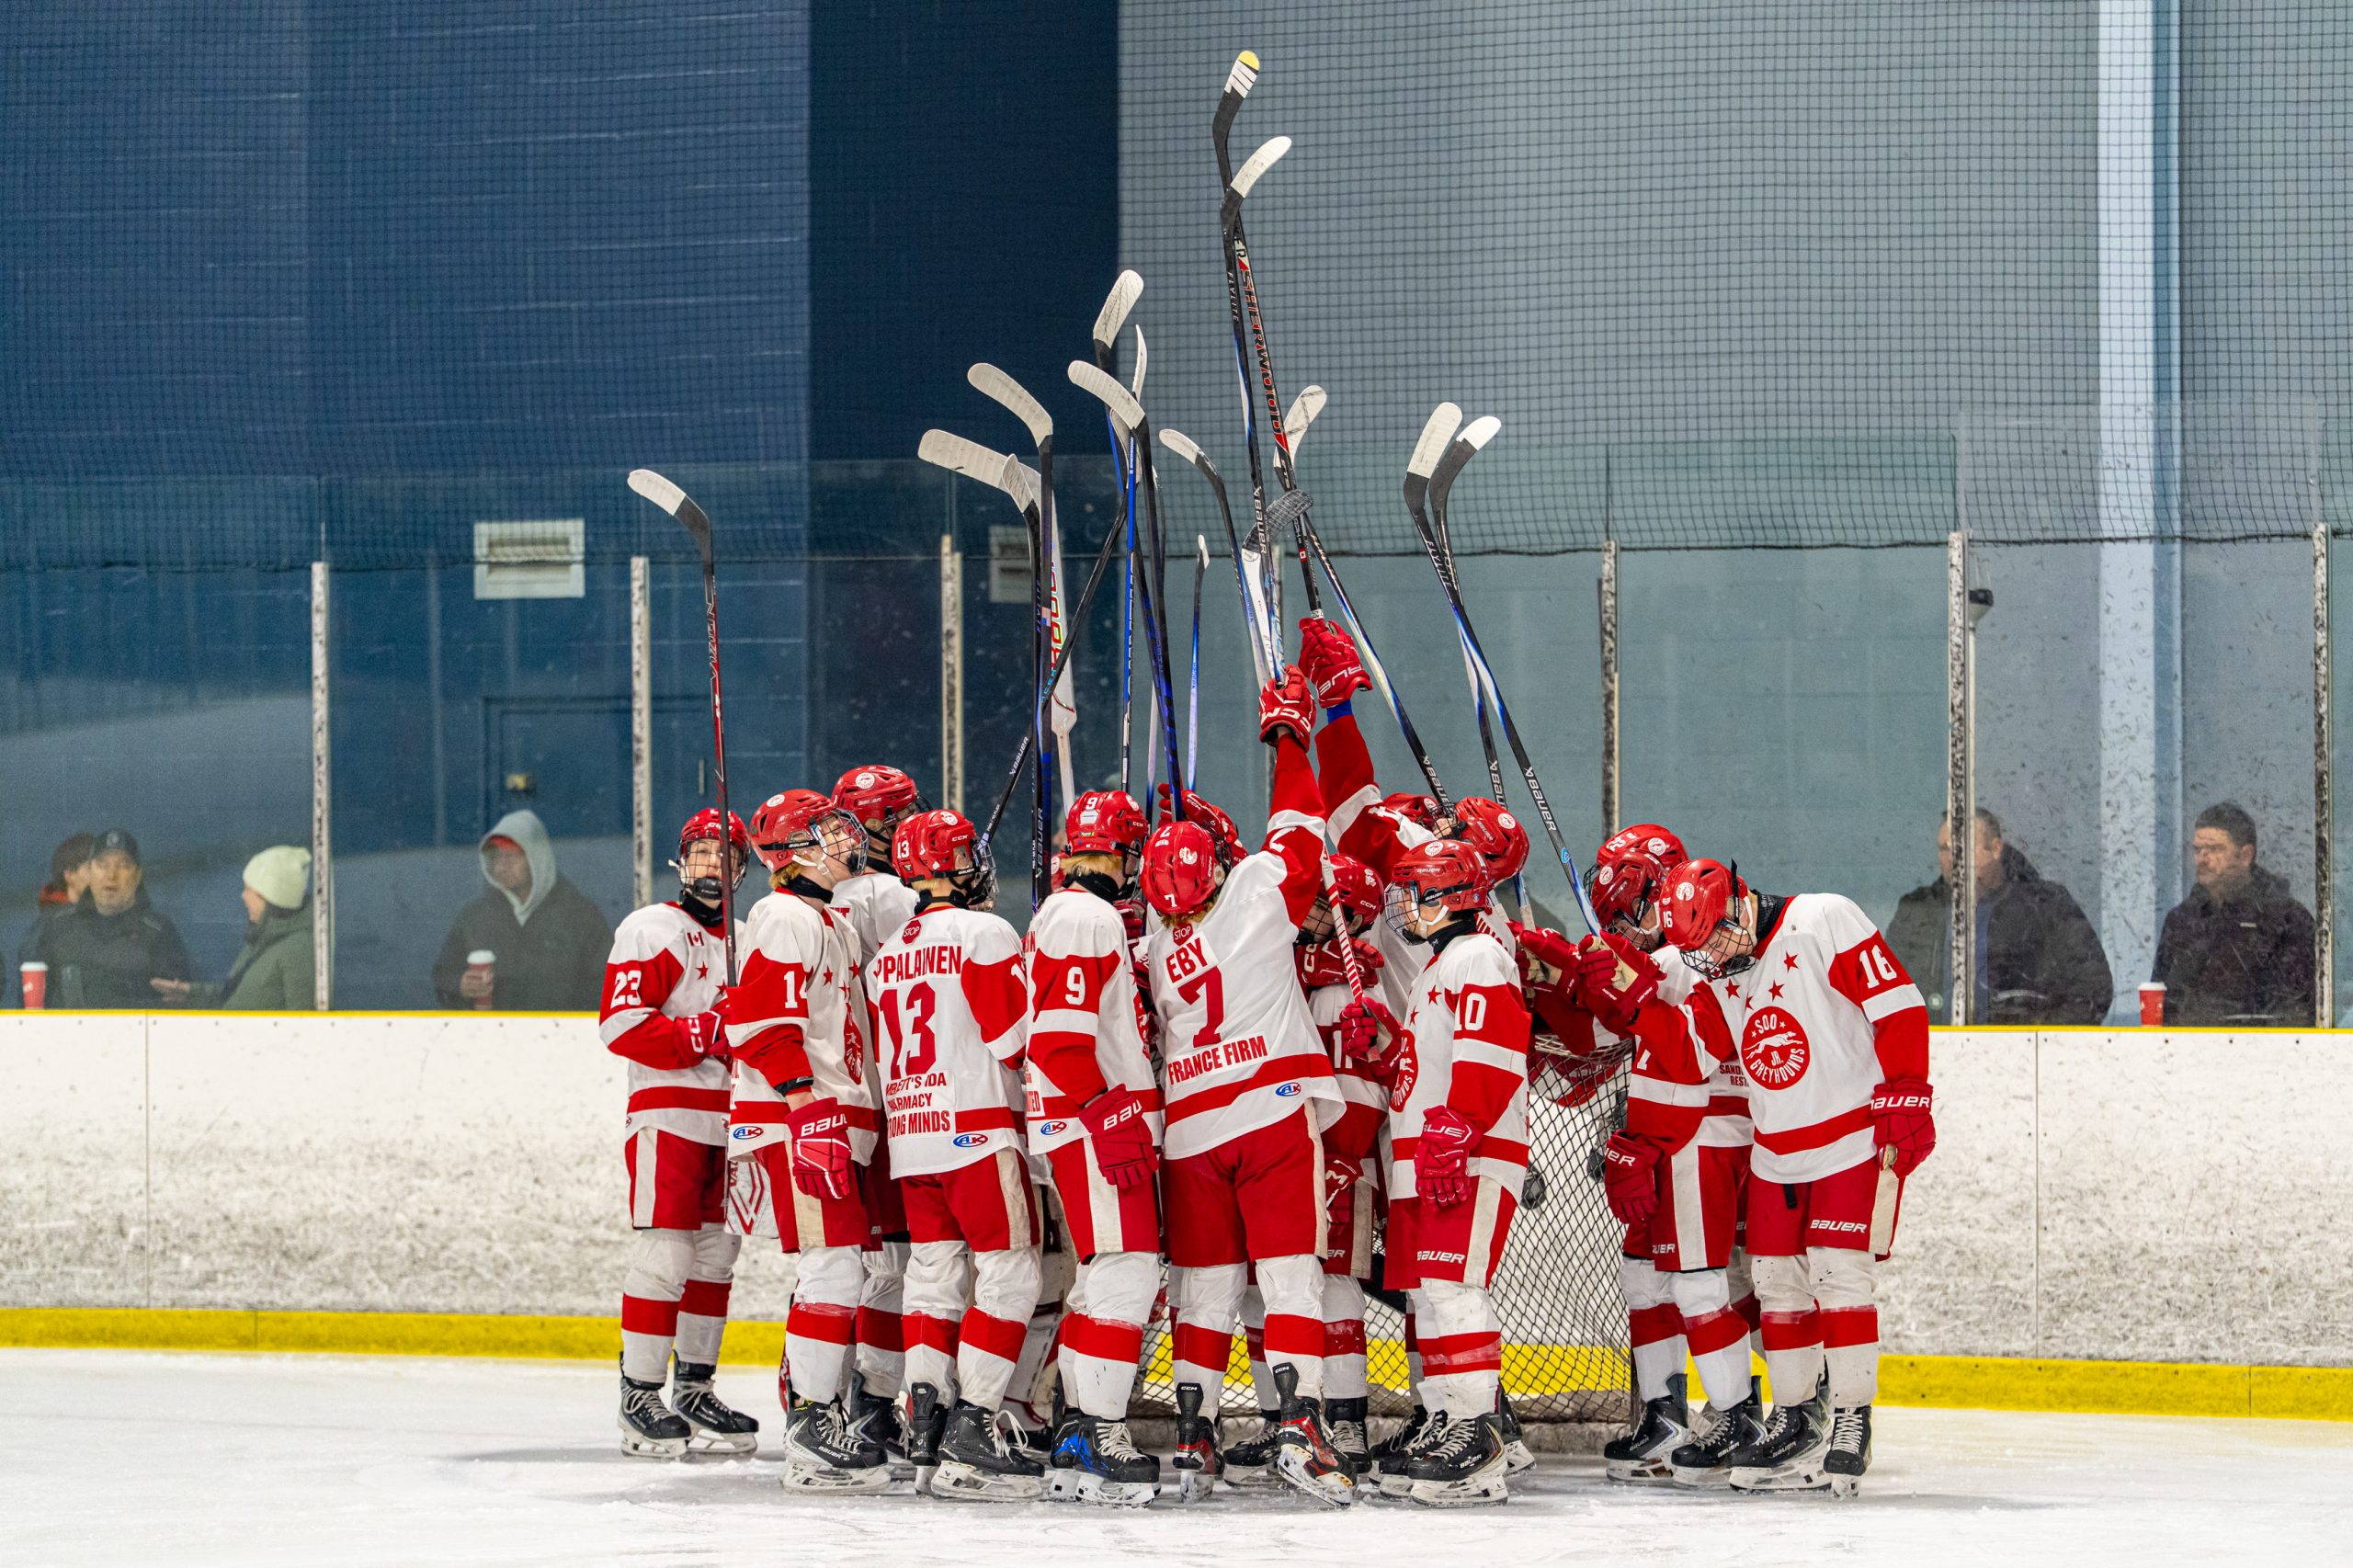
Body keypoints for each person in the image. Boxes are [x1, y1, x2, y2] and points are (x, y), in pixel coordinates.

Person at [1643, 858, 1936, 1498]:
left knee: (1839, 1274)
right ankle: (1796, 1415)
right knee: (1777, 1286)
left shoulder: (1823, 917)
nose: (1711, 959)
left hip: (1850, 1139)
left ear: (1740, 902)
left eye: (1716, 939)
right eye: (1695, 951)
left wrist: (1908, 1090)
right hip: (1774, 1151)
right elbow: (1695, 1053)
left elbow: (1899, 1005)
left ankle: (1853, 1417)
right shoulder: (1712, 969)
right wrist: (1633, 997)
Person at [1142, 666, 1355, 1507]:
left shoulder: (1157, 947)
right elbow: (1301, 831)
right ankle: (1298, 1427)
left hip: (1188, 1130)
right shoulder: (1260, 893)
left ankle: (1195, 1437)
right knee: (1290, 1273)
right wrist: (1287, 736)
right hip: (1266, 1111)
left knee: (1206, 1287)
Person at [1336, 837, 1532, 1507]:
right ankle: (1448, 1418)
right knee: (1428, 1294)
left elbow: (1495, 1051)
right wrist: (1386, 1052)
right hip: (1432, 1153)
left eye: (1414, 892)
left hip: (1467, 1154)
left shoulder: (1479, 955)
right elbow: (1429, 1071)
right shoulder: (1438, 967)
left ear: (1448, 895)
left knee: (1452, 1287)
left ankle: (1480, 1434)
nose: (1402, 906)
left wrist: (1461, 1126)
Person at [867, 807, 1045, 1502]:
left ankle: (924, 1417)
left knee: (933, 1277)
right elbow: (1013, 1039)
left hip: (914, 1139)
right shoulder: (986, 931)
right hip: (978, 1130)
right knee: (1012, 1271)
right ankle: (975, 1425)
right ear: (958, 863)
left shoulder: (888, 955)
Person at [727, 790, 891, 1491]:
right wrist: (802, 1100)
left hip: (830, 1113)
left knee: (839, 1267)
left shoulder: (831, 918)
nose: (843, 839)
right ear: (793, 849)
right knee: (834, 1267)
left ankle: (814, 1412)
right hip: (807, 1115)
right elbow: (760, 1020)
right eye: (825, 831)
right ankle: (813, 1426)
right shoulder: (783, 914)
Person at [600, 810, 758, 1460]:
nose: (710, 866)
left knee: (718, 1255)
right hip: (669, 1113)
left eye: (723, 855)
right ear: (679, 861)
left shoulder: (749, 940)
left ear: (744, 867)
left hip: (734, 1118)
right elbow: (620, 1025)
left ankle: (694, 1386)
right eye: (698, 853)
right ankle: (640, 1393)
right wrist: (704, 1029)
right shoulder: (651, 928)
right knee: (667, 1251)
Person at [1021, 789, 1163, 1506]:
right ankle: (1097, 1431)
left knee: (1105, 1274)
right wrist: (1109, 1115)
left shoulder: (1067, 912)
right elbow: (1056, 1040)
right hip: (1089, 1121)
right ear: (1120, 852)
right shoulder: (1085, 914)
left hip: (1076, 1120)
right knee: (1125, 1268)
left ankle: (1080, 1427)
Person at [1885, 809, 2112, 1024]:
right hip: (1932, 1054)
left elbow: (2093, 987)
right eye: (1945, 848)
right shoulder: (1917, 910)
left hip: (2023, 1056)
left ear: (1995, 849)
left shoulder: (2045, 906)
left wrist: (2041, 1041)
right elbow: (1887, 991)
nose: (1953, 857)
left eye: (1964, 846)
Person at [430, 809, 613, 1010]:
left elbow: (606, 985)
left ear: (537, 857)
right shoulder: (476, 917)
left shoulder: (581, 916)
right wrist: (460, 986)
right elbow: (443, 977)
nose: (501, 866)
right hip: (491, 1036)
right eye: (495, 858)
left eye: (511, 856)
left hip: (562, 1037)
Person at [2153, 802, 2316, 1025]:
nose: (2202, 859)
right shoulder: (2181, 920)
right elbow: (2161, 1001)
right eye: (2197, 849)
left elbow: (2296, 1010)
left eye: (2215, 849)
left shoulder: (2286, 920)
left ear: (2245, 855)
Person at [31, 829, 191, 1008]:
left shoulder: (159, 933)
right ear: (90, 872)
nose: (111, 875)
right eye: (102, 864)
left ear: (137, 875)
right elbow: (31, 1002)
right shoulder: (57, 927)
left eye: (123, 865)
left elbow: (177, 1011)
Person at [150, 846, 315, 1010]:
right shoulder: (262, 939)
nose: (243, 896)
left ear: (271, 899)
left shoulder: (298, 949)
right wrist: (189, 992)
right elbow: (234, 996)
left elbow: (304, 1027)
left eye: (249, 890)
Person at [18, 832, 97, 1003]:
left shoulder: (105, 920)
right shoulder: (48, 927)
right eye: (91, 868)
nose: (101, 875)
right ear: (69, 875)